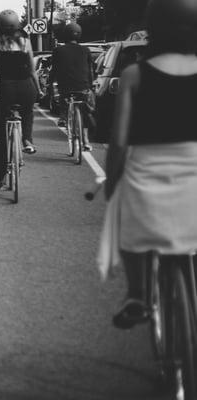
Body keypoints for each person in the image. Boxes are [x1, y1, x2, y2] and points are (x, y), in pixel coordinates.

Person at [100, 0, 197, 329]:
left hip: (147, 176)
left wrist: (111, 183)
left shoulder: (134, 75)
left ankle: (138, 295)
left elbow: (119, 141)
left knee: (123, 217)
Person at [0, 9, 42, 189]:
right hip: (26, 87)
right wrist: (39, 90)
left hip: (6, 89)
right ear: (17, 25)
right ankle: (27, 140)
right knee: (27, 112)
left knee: (0, 136)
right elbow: (32, 70)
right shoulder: (25, 42)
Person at [49, 22, 95, 151]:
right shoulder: (86, 50)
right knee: (85, 112)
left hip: (65, 87)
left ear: (65, 35)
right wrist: (90, 86)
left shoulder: (58, 50)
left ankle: (63, 116)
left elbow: (54, 70)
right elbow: (90, 71)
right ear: (79, 35)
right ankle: (86, 141)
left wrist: (50, 85)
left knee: (64, 98)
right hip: (83, 87)